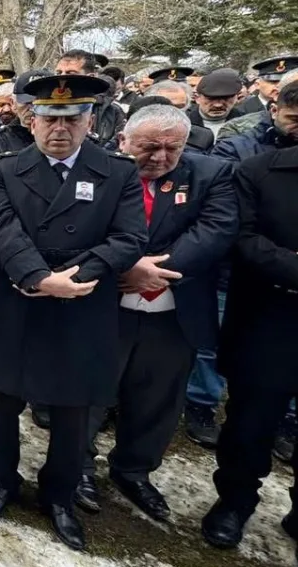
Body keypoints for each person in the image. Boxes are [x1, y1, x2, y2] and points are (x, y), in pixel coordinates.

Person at [0, 74, 147, 552]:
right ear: (32, 120)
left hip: (82, 305)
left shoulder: (118, 172)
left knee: (72, 411)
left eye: (72, 118)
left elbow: (130, 238)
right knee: (2, 406)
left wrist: (74, 276)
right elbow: (2, 230)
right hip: (17, 300)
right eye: (50, 118)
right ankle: (2, 481)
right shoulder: (4, 169)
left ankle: (59, 495)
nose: (60, 129)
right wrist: (38, 278)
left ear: (90, 120)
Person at [69, 105, 236, 522]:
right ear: (124, 139)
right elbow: (73, 229)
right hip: (105, 302)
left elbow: (214, 230)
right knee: (87, 393)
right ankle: (78, 468)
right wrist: (125, 267)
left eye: (171, 148)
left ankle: (133, 469)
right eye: (149, 147)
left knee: (157, 398)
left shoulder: (211, 175)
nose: (160, 157)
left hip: (173, 309)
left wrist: (157, 272)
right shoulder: (96, 170)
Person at [201, 81, 298, 550]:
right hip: (269, 314)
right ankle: (235, 502)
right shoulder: (258, 171)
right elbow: (240, 237)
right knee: (250, 424)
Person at [57, 50, 126, 145]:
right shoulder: (46, 109)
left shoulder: (112, 112)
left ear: (90, 77)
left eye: (70, 73)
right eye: (59, 73)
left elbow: (119, 145)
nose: (62, 78)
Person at [188, 68, 247, 140]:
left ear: (237, 97)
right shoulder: (183, 122)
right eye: (211, 98)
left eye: (225, 98)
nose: (218, 105)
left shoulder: (249, 123)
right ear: (197, 98)